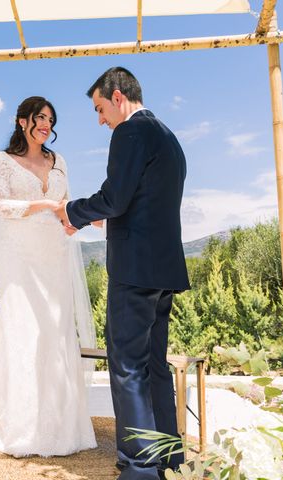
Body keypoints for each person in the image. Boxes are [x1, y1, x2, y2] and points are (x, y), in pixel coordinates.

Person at [0, 96, 97, 457]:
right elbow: (1, 206)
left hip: (54, 256)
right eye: (40, 118)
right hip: (21, 261)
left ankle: (61, 422)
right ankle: (25, 425)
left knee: (55, 331)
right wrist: (45, 206)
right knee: (25, 329)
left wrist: (76, 220)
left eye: (51, 120)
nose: (46, 125)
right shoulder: (2, 161)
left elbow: (67, 205)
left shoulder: (60, 162)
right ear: (22, 121)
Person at [54, 67, 190, 479]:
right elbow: (142, 201)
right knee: (153, 365)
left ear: (117, 97)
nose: (100, 120)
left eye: (99, 109)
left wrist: (73, 213)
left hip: (134, 269)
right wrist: (108, 220)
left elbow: (115, 198)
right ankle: (168, 456)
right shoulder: (168, 137)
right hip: (163, 269)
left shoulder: (129, 132)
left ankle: (139, 467)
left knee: (127, 366)